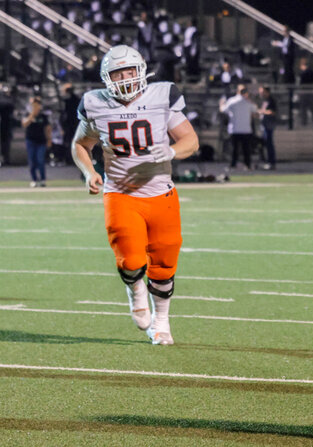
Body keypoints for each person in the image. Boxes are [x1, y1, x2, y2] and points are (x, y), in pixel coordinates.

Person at [71, 45, 199, 345]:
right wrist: (90, 172)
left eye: (130, 71)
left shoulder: (160, 96)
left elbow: (190, 140)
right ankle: (135, 290)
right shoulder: (95, 103)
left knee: (165, 264)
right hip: (120, 193)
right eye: (119, 73)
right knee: (130, 261)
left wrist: (169, 150)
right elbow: (80, 145)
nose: (126, 78)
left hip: (161, 194)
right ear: (107, 77)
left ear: (142, 71)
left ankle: (161, 324)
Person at [219, 84, 257, 170]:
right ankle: (247, 165)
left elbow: (223, 110)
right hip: (246, 129)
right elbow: (255, 109)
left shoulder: (232, 101)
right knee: (246, 149)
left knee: (234, 149)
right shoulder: (248, 102)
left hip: (235, 129)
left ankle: (233, 164)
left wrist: (221, 104)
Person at [22, 96, 51, 187]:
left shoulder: (43, 116)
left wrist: (49, 139)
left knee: (40, 160)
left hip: (41, 141)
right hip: (30, 141)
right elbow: (24, 124)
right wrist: (32, 114)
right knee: (32, 161)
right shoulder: (27, 114)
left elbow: (48, 128)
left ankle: (42, 179)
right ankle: (34, 179)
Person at [258, 85, 277, 170]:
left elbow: (273, 112)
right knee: (264, 144)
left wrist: (262, 111)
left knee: (269, 144)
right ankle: (266, 161)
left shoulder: (271, 100)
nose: (261, 93)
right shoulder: (264, 101)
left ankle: (271, 162)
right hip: (264, 125)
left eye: (262, 92)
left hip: (269, 125)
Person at [0, 88, 16, 166]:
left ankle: (5, 158)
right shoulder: (7, 102)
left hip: (7, 124)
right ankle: (4, 158)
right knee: (4, 142)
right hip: (5, 123)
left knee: (6, 142)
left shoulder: (4, 102)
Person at [297, 57, 313, 126]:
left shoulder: (304, 73)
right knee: (311, 108)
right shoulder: (311, 72)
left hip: (306, 93)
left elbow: (300, 83)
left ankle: (305, 122)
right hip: (310, 92)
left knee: (305, 108)